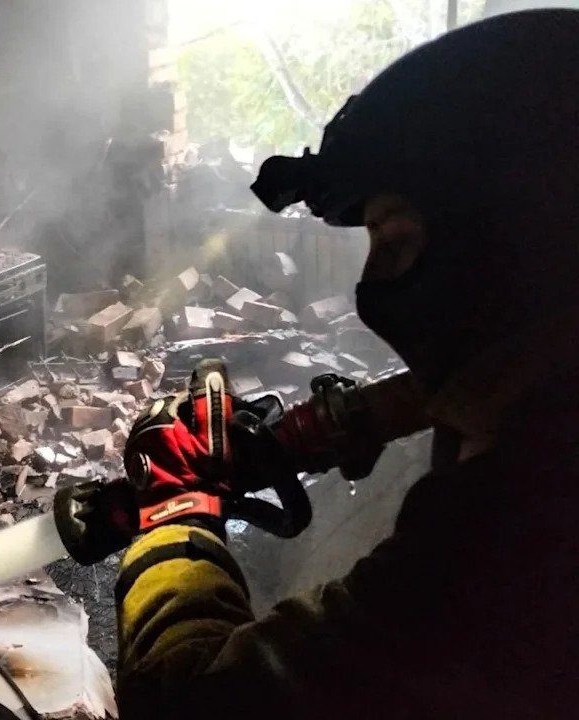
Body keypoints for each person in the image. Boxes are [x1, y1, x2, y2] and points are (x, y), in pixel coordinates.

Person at [114, 9, 579, 718]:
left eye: (395, 241)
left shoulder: (508, 537)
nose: (373, 289)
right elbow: (497, 380)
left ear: (517, 236)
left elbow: (193, 700)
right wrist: (330, 427)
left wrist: (175, 512)